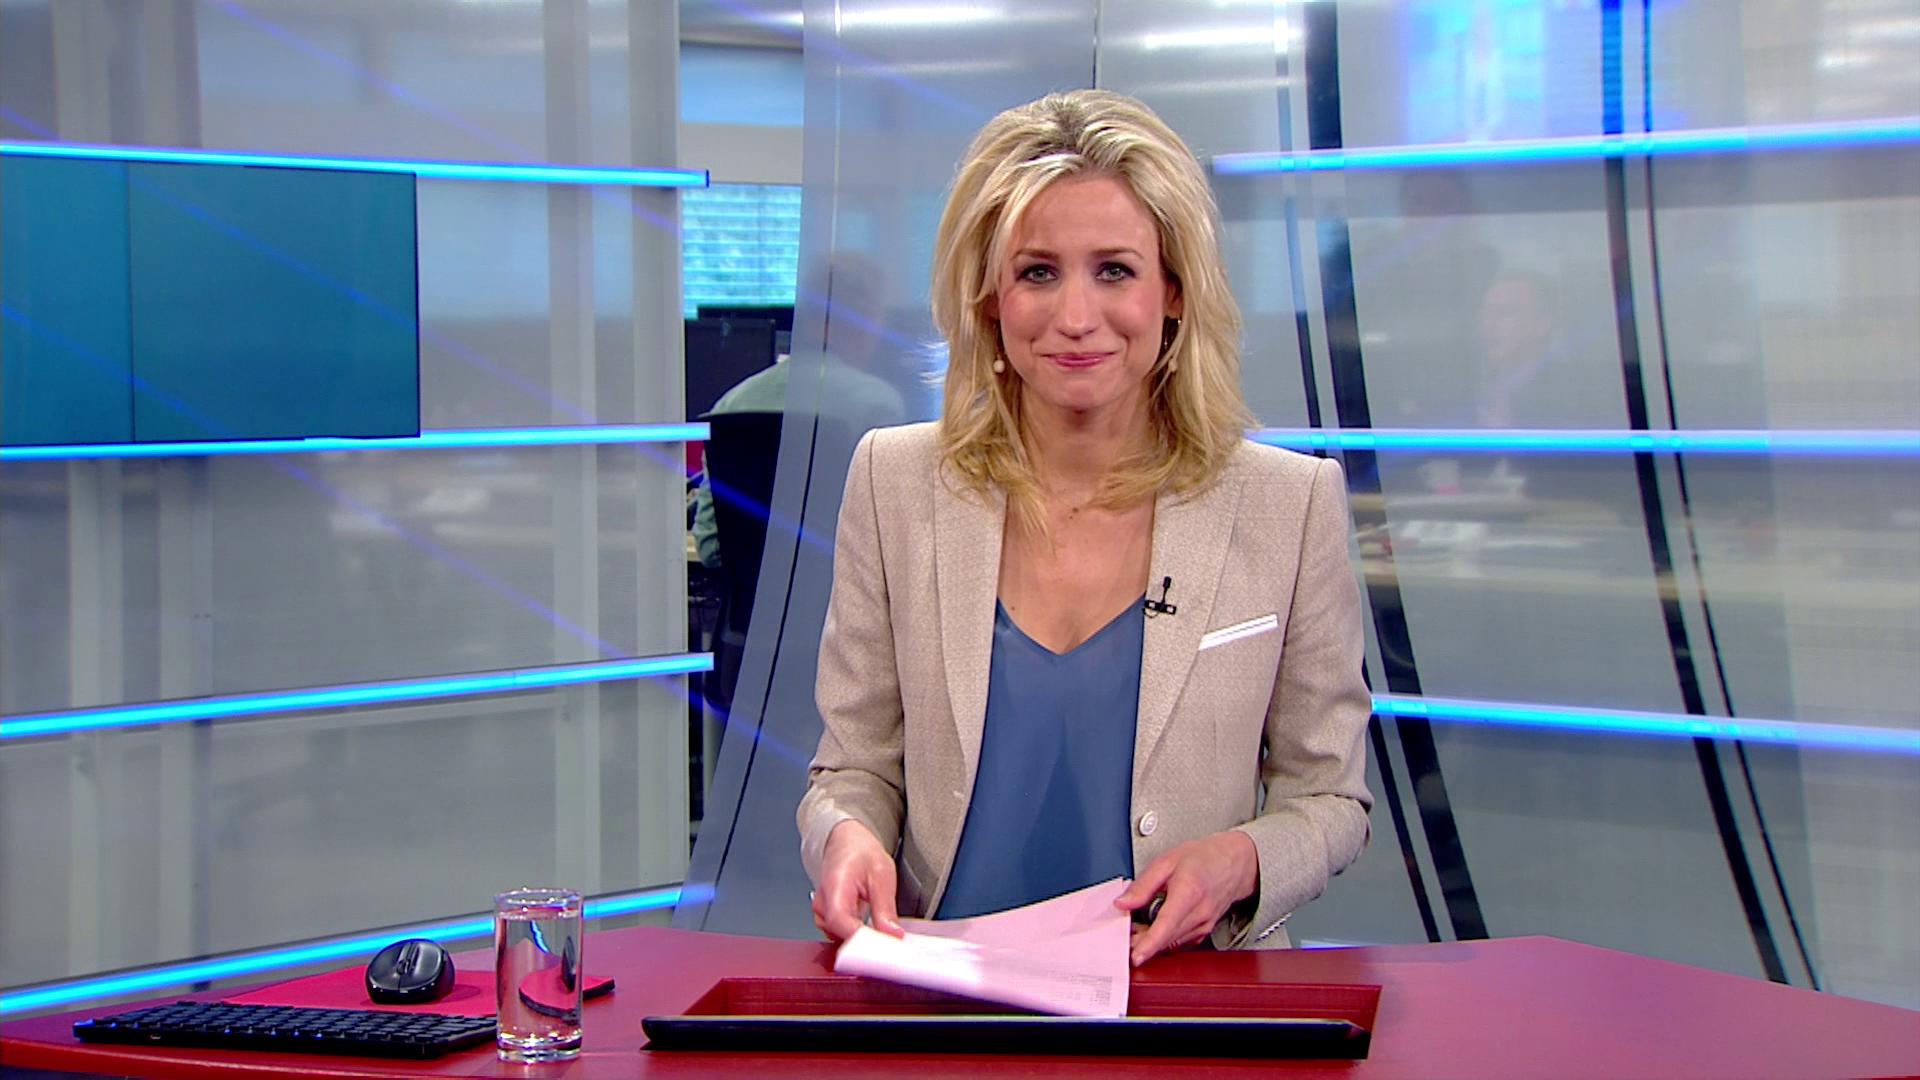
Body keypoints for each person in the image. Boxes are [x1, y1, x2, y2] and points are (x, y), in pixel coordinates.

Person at [798, 90, 1373, 967]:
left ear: (1173, 291)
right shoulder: (895, 483)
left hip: (1188, 996)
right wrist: (847, 838)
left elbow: (1331, 798)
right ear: (988, 298)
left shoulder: (1287, 503)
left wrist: (1242, 860)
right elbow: (852, 770)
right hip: (943, 992)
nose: (1075, 316)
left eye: (1114, 271)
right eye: (1037, 272)